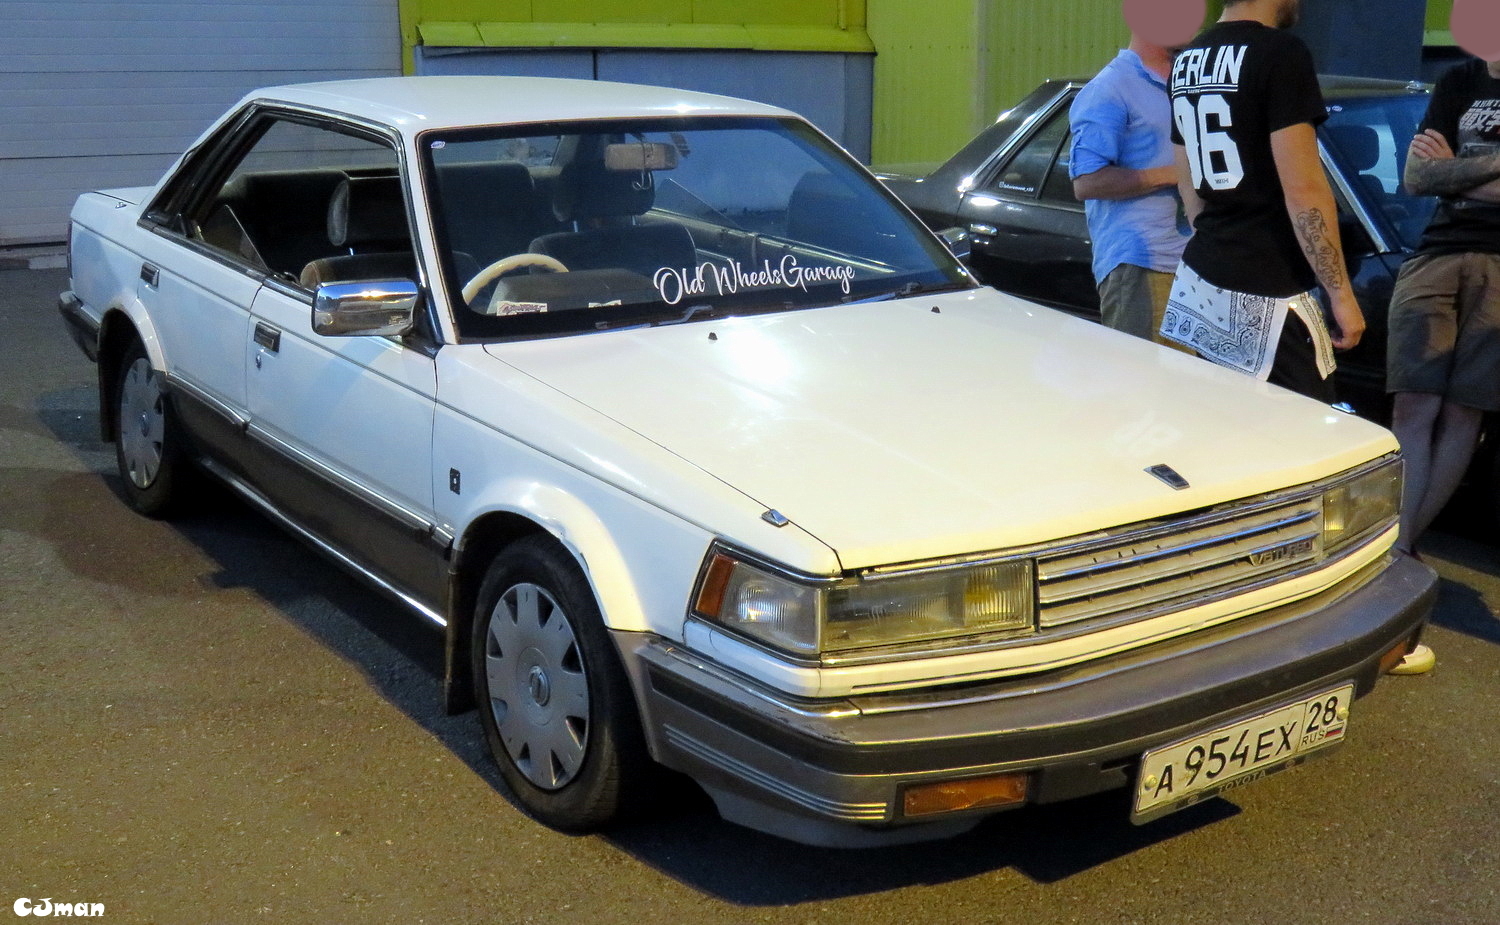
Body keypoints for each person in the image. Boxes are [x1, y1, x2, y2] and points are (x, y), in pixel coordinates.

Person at [1162, 0, 1364, 403]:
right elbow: (1304, 187)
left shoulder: (1187, 59)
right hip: (1272, 287)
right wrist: (1341, 295)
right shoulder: (1281, 52)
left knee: (1224, 425)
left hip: (1204, 277)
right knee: (1305, 438)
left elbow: (1187, 181)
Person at [1381, 44, 1500, 675]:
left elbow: (1439, 175)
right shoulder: (1460, 78)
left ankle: (1396, 551)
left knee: (1463, 415)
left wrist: (1458, 167)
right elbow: (1415, 179)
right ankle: (1394, 547)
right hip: (1435, 254)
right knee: (1413, 402)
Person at [1069, 0, 1201, 345]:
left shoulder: (1189, 82)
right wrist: (1176, 174)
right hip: (1143, 266)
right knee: (1147, 392)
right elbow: (1086, 183)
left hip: (1199, 265)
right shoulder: (1110, 88)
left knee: (1193, 394)